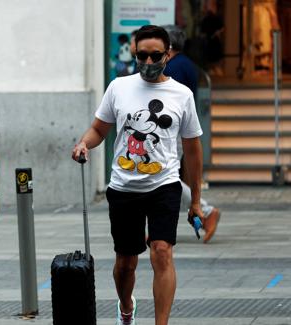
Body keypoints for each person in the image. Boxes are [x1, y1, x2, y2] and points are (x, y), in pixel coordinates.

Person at [71, 25, 203, 325]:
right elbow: (98, 129)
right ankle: (127, 306)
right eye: (141, 55)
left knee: (161, 252)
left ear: (167, 54)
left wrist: (195, 200)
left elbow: (193, 150)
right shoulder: (119, 87)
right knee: (126, 263)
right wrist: (83, 143)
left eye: (155, 55)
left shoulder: (181, 95)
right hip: (124, 186)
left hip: (164, 184)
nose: (147, 61)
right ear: (135, 53)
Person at [163, 25, 221, 243]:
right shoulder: (185, 64)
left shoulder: (173, 68)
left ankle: (206, 211)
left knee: (163, 176)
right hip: (178, 129)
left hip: (173, 130)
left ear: (167, 46)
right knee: (164, 176)